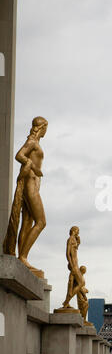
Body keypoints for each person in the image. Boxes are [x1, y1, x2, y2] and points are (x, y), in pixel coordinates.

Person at [3, 117, 48, 275]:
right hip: (30, 183)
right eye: (46, 127)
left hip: (33, 183)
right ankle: (23, 256)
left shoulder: (36, 143)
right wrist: (34, 168)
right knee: (41, 222)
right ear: (41, 127)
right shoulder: (32, 142)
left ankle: (23, 258)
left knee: (28, 221)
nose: (46, 130)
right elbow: (19, 155)